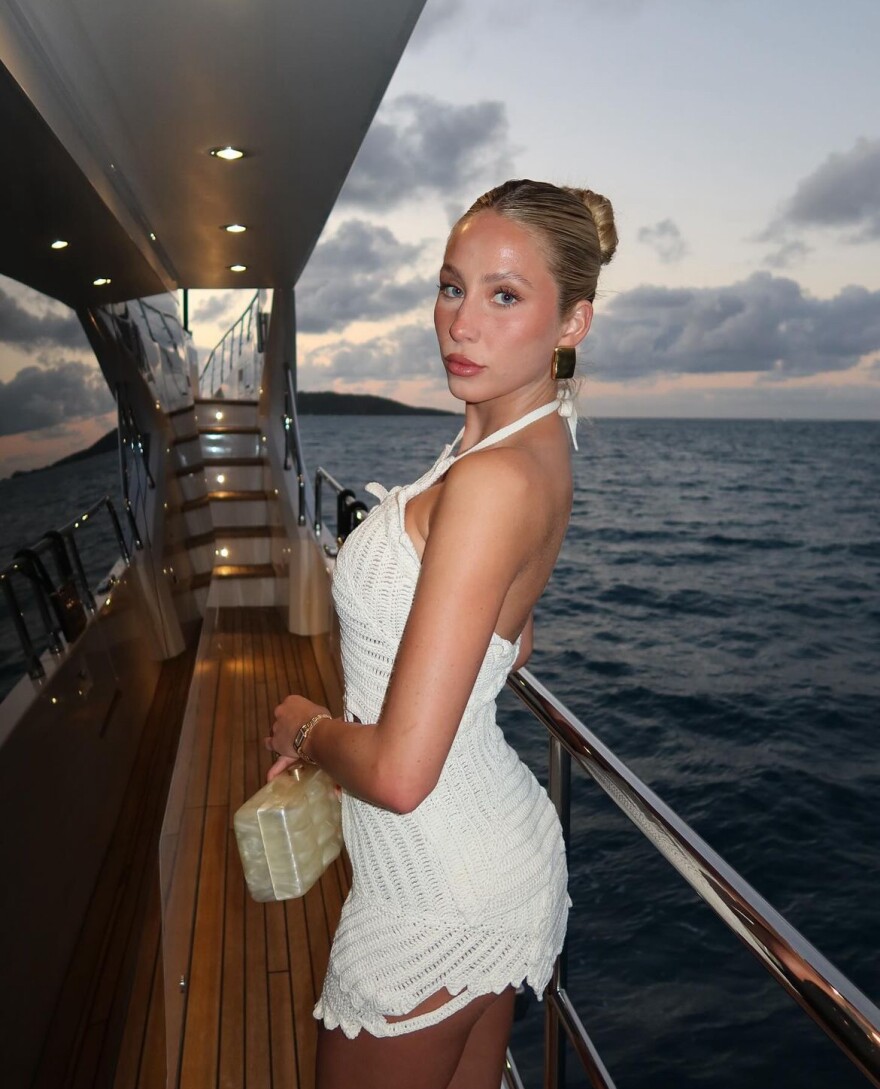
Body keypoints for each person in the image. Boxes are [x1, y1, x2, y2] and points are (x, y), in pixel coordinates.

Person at [266, 178, 618, 1089]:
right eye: (452, 286)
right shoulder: (516, 444)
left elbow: (398, 772)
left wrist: (305, 727)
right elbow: (515, 641)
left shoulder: (492, 480)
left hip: (433, 885)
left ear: (572, 321)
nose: (460, 323)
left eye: (506, 295)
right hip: (485, 852)